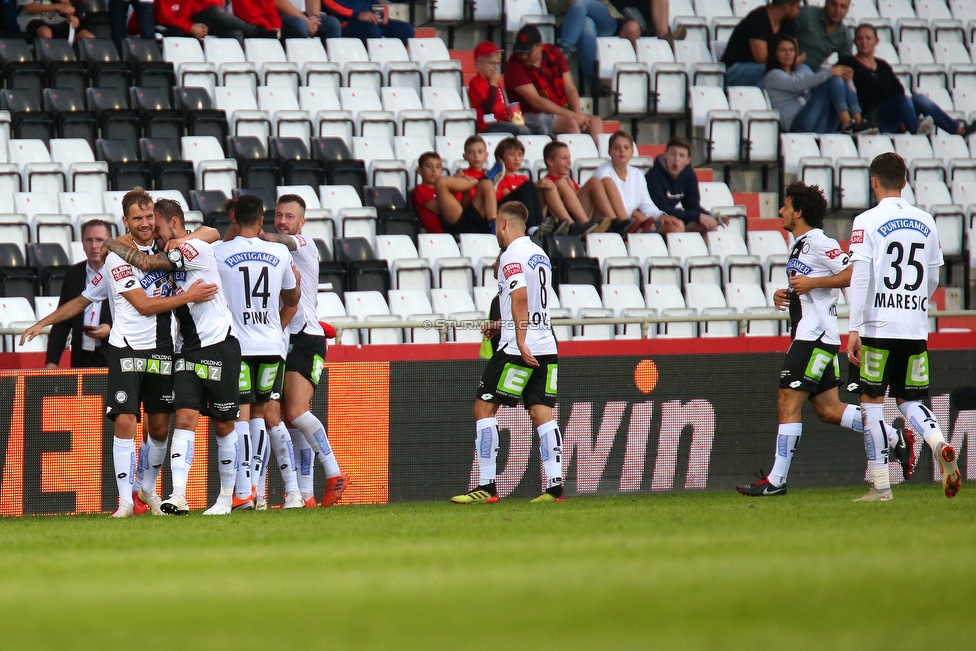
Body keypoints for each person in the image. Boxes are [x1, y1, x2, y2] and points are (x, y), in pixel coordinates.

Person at [21, 188, 219, 518]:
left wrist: (178, 241)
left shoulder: (163, 250)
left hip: (161, 348)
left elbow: (211, 232)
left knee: (158, 429)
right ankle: (125, 501)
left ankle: (147, 490)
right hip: (125, 348)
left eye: (148, 218)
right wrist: (43, 322)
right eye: (137, 218)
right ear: (126, 221)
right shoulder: (116, 257)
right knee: (126, 420)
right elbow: (128, 304)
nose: (144, 224)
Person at [735, 182, 911, 497]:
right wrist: (789, 293)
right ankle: (893, 437)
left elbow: (852, 273)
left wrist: (812, 282)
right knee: (829, 410)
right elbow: (815, 288)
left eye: (786, 206)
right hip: (817, 335)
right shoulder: (802, 243)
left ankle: (777, 481)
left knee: (786, 401)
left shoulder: (818, 241)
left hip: (812, 338)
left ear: (798, 212)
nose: (781, 211)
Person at [99, 200, 243, 516]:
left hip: (219, 344)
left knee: (223, 425)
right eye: (142, 219)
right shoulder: (171, 251)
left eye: (157, 223)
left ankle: (226, 498)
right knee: (185, 418)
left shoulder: (190, 250)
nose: (154, 230)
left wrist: (109, 242)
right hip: (185, 350)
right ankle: (177, 495)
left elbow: (151, 264)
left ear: (174, 223)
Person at [846, 152, 961, 501]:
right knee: (910, 398)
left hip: (878, 328)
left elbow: (861, 275)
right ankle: (938, 441)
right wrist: (915, 307)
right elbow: (935, 276)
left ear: (873, 182)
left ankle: (881, 486)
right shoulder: (927, 221)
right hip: (914, 328)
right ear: (906, 182)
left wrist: (854, 327)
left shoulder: (865, 220)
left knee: (871, 403)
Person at [451, 201, 565, 504]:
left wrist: (520, 339)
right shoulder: (539, 254)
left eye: (495, 227)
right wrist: (502, 324)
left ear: (503, 224)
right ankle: (555, 488)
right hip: (547, 344)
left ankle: (487, 486)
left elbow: (521, 299)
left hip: (519, 346)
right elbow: (536, 304)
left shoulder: (510, 255)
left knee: (484, 409)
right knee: (542, 412)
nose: (495, 234)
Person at [215, 194, 305, 511]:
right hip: (270, 344)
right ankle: (257, 490)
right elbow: (293, 295)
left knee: (239, 414)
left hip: (237, 344)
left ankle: (243, 492)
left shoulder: (219, 252)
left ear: (235, 219)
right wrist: (275, 325)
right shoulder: (279, 252)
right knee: (261, 416)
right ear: (262, 219)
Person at [271, 194, 349, 508]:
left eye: (289, 216)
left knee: (295, 412)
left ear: (302, 222)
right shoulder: (274, 252)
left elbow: (284, 240)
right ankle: (305, 495)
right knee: (291, 417)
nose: (282, 221)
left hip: (306, 337)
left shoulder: (304, 243)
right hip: (285, 337)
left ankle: (334, 472)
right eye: (278, 215)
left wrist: (257, 235)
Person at [840, 24, 976, 136]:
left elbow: (898, 90)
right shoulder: (848, 64)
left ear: (876, 41)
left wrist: (903, 115)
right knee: (903, 101)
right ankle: (916, 129)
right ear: (855, 41)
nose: (864, 42)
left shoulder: (882, 66)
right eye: (860, 38)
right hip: (870, 119)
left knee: (920, 99)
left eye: (868, 38)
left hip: (894, 115)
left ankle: (958, 130)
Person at [505, 25, 604, 144]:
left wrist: (577, 114)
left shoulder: (553, 53)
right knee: (570, 124)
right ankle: (576, 158)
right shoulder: (514, 66)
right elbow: (537, 101)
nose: (523, 56)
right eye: (520, 52)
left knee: (595, 122)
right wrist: (573, 116)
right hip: (530, 114)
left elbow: (570, 88)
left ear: (540, 46)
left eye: (528, 52)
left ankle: (597, 159)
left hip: (560, 107)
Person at [763, 34, 871, 134]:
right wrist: (832, 71)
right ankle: (847, 123)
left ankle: (857, 121)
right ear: (774, 53)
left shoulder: (800, 71)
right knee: (832, 77)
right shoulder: (773, 75)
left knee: (839, 76)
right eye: (783, 50)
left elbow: (814, 80)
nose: (788, 54)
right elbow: (798, 84)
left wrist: (846, 75)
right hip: (798, 125)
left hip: (817, 122)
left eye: (791, 50)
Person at [45, 219, 114, 369]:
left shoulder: (122, 272)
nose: (94, 246)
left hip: (114, 356)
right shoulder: (74, 274)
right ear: (82, 244)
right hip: (81, 358)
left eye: (99, 240)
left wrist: (111, 329)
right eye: (89, 240)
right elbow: (62, 321)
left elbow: (135, 315)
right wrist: (52, 361)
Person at [594, 130, 682, 234]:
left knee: (676, 227)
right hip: (613, 223)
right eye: (617, 148)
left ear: (632, 152)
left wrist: (660, 215)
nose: (622, 151)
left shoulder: (637, 174)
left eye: (626, 148)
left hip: (636, 221)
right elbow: (607, 206)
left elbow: (646, 204)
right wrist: (634, 214)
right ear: (610, 152)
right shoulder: (603, 173)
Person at [646, 135, 723, 233]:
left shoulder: (689, 175)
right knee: (677, 226)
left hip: (673, 218)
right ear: (665, 154)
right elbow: (662, 209)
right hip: (654, 218)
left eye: (681, 156)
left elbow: (692, 205)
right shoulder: (653, 176)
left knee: (710, 225)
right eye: (673, 154)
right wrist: (697, 216)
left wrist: (712, 217)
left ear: (688, 160)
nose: (676, 159)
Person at [536, 140, 613, 236]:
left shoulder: (568, 180)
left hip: (581, 214)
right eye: (564, 158)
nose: (569, 162)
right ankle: (584, 225)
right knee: (561, 182)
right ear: (551, 162)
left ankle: (614, 222)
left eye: (569, 157)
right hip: (564, 222)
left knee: (595, 181)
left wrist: (574, 192)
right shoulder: (545, 183)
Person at [720, 0, 800, 88]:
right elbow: (761, 58)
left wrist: (790, 61)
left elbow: (794, 53)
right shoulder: (758, 18)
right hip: (737, 69)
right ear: (786, 7)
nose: (798, 12)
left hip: (774, 66)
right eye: (797, 8)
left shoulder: (789, 21)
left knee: (805, 69)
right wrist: (789, 62)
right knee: (772, 72)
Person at [434, 135, 497, 235]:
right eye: (471, 152)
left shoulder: (493, 177)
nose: (476, 156)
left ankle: (493, 226)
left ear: (486, 155)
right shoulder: (460, 175)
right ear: (465, 156)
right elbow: (460, 205)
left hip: (477, 218)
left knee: (487, 183)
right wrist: (465, 188)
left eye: (480, 152)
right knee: (441, 182)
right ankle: (478, 180)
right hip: (458, 219)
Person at [468, 41, 533, 135]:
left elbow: (501, 108)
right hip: (487, 124)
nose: (495, 68)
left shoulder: (495, 82)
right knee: (522, 130)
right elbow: (488, 107)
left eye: (498, 64)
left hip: (502, 120)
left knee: (540, 128)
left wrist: (514, 116)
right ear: (479, 64)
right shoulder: (475, 83)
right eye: (492, 63)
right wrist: (493, 85)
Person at [155, 0, 280, 42]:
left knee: (236, 34)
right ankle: (256, 32)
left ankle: (237, 79)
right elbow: (165, 17)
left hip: (209, 22)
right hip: (190, 21)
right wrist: (191, 27)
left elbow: (271, 9)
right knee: (216, 11)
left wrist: (274, 26)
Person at [794, 0, 852, 72]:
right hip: (792, 65)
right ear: (826, 3)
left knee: (838, 80)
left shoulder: (845, 35)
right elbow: (785, 35)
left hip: (816, 74)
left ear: (848, 9)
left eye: (843, 7)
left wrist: (832, 71)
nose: (837, 10)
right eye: (834, 4)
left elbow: (846, 63)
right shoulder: (807, 13)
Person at [322, 0, 414, 45]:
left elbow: (376, 1)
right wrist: (356, 14)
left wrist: (381, 12)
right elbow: (330, 2)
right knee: (373, 32)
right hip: (345, 20)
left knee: (406, 30)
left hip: (371, 17)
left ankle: (391, 64)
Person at [17, 0, 94, 39]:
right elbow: (29, 7)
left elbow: (65, 2)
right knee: (45, 32)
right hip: (31, 17)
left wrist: (70, 16)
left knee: (87, 36)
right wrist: (57, 6)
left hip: (53, 17)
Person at [276, 0, 341, 41]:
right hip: (274, 16)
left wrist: (315, 17)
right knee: (300, 25)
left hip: (301, 15)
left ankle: (326, 61)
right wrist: (305, 20)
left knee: (332, 25)